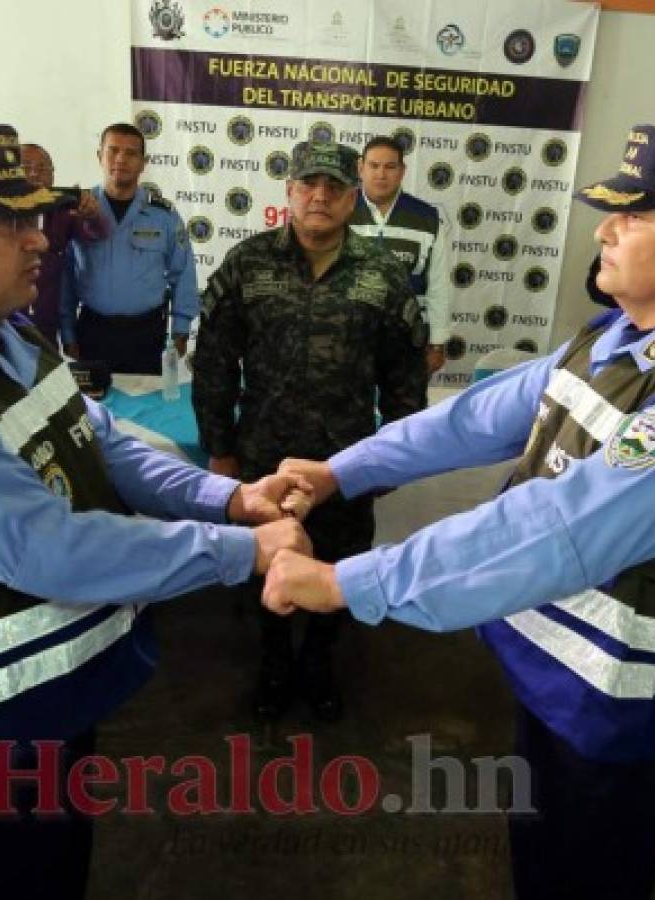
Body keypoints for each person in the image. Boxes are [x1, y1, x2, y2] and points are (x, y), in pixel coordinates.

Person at [262, 126, 655, 898]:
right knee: (540, 859)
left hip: (625, 717)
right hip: (561, 687)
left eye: (634, 216)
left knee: (582, 877)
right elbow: (474, 418)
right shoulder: (617, 336)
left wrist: (349, 582)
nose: (604, 231)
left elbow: (552, 530)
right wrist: (340, 472)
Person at [0, 124, 311, 898]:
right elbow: (46, 547)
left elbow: (99, 440)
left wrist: (231, 498)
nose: (40, 241)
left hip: (52, 696)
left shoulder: (5, 327)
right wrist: (240, 551)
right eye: (11, 223)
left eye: (37, 217)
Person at [192, 140, 428, 722]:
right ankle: (273, 664)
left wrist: (393, 458)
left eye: (334, 187)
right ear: (290, 192)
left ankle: (320, 662)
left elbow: (405, 378)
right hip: (263, 459)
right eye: (308, 185)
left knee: (341, 566)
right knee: (266, 564)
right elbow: (215, 363)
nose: (319, 196)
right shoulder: (247, 264)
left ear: (354, 198)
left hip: (347, 460)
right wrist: (219, 451)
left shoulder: (384, 276)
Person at [61, 123, 196, 373]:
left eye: (131, 153)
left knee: (149, 407)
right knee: (93, 409)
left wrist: (181, 331)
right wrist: (68, 334)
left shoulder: (163, 215)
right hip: (92, 332)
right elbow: (66, 278)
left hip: (146, 335)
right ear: (99, 156)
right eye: (113, 150)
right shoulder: (78, 211)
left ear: (144, 163)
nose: (121, 159)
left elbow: (183, 273)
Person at [350, 136, 451, 374]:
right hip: (349, 336)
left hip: (407, 338)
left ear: (402, 171)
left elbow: (438, 285)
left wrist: (437, 343)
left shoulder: (427, 217)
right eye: (374, 166)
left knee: (404, 411)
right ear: (360, 167)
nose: (381, 174)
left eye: (390, 167)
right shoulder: (340, 209)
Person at [20, 142, 108, 347]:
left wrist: (93, 215)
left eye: (42, 168)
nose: (34, 174)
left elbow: (97, 233)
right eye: (25, 167)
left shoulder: (64, 210)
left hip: (46, 329)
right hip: (1, 327)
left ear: (52, 176)